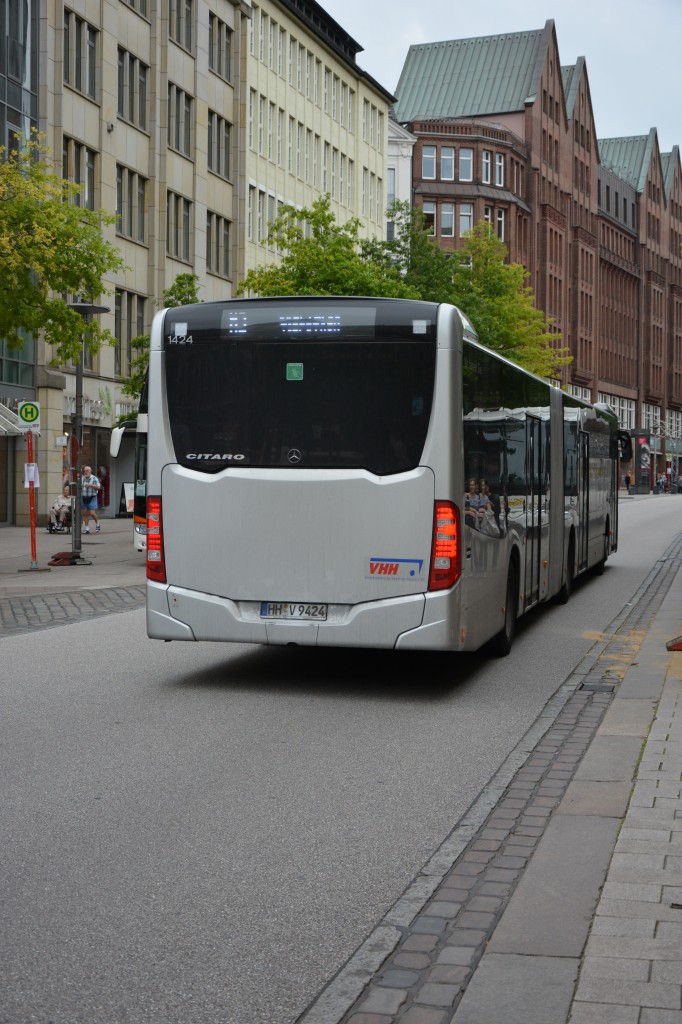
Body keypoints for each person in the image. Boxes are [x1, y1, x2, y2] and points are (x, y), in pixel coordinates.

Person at [81, 465, 101, 533]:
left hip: (92, 497)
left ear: (90, 471)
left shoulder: (94, 478)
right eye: (84, 471)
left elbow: (99, 487)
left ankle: (97, 523)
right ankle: (87, 528)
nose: (85, 472)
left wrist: (91, 486)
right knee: (85, 513)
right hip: (84, 497)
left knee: (92, 513)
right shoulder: (82, 478)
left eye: (87, 471)